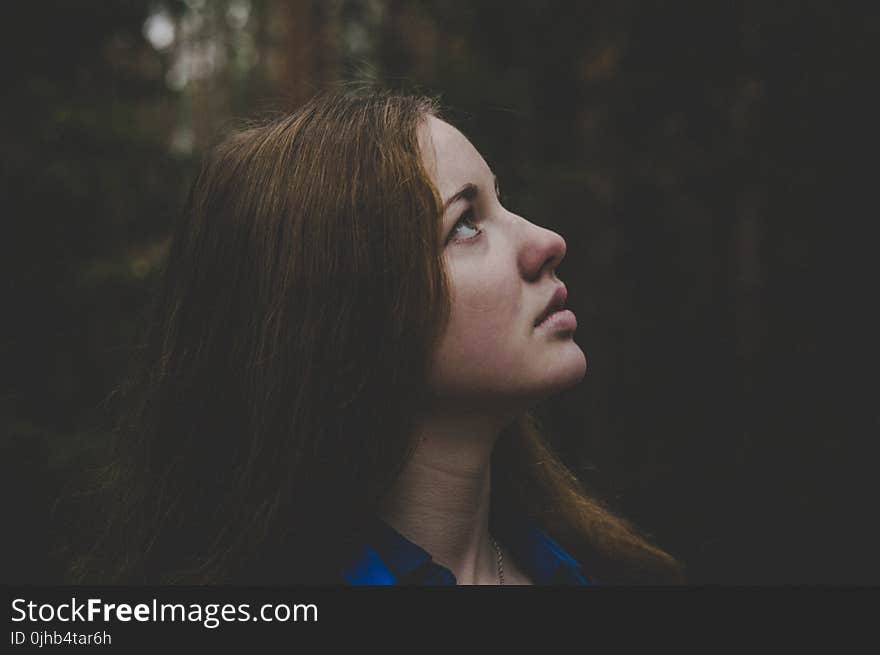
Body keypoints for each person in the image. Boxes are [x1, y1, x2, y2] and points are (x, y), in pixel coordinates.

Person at [70, 88, 684, 585]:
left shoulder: (602, 573)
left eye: (502, 202)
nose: (547, 241)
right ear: (345, 313)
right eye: (466, 223)